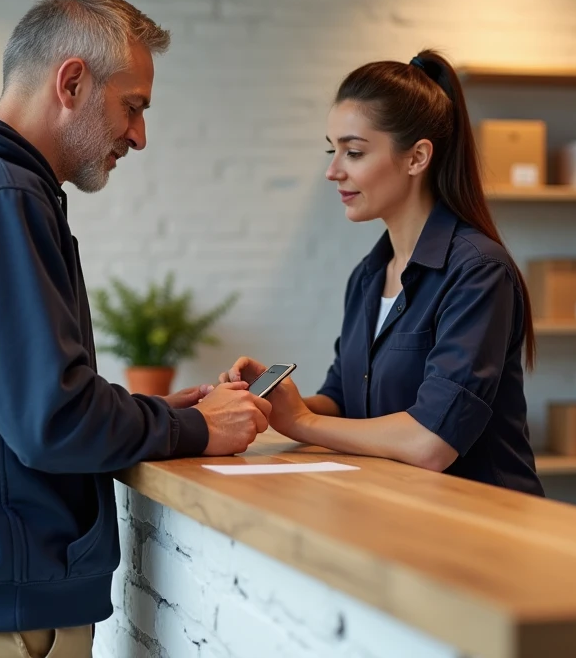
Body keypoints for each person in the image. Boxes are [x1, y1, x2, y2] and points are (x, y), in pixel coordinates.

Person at [0, 0, 271, 658]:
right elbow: (51, 422)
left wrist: (144, 413)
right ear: (71, 82)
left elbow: (7, 403)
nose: (139, 136)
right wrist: (196, 427)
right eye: (133, 106)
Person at [222, 51, 542, 496]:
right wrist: (272, 403)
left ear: (417, 158)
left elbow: (431, 442)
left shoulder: (478, 272)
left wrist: (303, 422)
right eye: (332, 150)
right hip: (396, 507)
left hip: (482, 518)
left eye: (353, 152)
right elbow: (344, 401)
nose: (332, 171)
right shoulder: (368, 276)